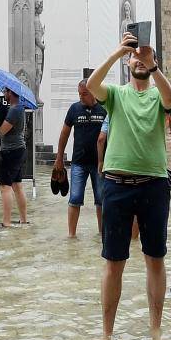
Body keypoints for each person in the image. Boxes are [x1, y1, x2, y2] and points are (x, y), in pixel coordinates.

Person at [87, 30, 171, 340]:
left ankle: (155, 329)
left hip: (153, 184)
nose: (139, 62)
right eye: (134, 59)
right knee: (114, 262)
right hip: (116, 185)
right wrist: (118, 52)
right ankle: (107, 333)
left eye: (144, 58)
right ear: (128, 64)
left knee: (155, 258)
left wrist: (153, 66)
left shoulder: (158, 92)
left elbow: (169, 100)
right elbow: (92, 86)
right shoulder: (116, 94)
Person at [52, 80, 107, 238]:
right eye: (79, 94)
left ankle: (102, 235)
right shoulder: (74, 109)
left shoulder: (104, 109)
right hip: (78, 163)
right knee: (74, 198)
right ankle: (71, 236)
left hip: (100, 163)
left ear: (94, 93)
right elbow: (65, 133)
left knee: (101, 200)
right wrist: (59, 158)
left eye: (84, 94)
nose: (81, 97)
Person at [0, 88, 29, 227]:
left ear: (10, 92)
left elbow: (1, 131)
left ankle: (6, 222)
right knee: (17, 185)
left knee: (5, 187)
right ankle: (23, 220)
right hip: (18, 150)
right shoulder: (17, 108)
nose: (4, 93)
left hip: (11, 152)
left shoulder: (15, 109)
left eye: (5, 91)